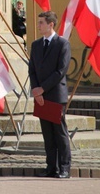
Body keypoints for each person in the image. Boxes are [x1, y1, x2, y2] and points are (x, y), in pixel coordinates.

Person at [28, 10, 71, 179]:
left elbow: (60, 71)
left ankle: (64, 167)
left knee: (59, 133)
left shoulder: (62, 44)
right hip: (40, 97)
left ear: (50, 24)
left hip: (55, 95)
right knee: (47, 134)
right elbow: (32, 70)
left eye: (41, 23)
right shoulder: (36, 45)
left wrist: (42, 89)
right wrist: (35, 90)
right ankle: (51, 167)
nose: (38, 26)